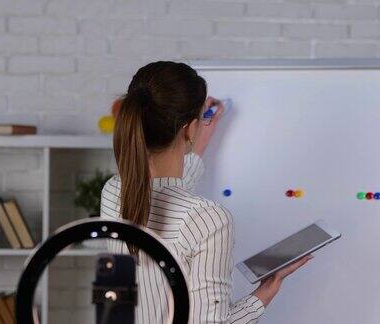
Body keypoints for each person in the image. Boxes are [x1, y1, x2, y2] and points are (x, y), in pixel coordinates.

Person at [100, 61, 311, 323]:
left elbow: (165, 192)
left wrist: (199, 139)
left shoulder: (114, 191)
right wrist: (264, 295)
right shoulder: (208, 220)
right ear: (188, 127)